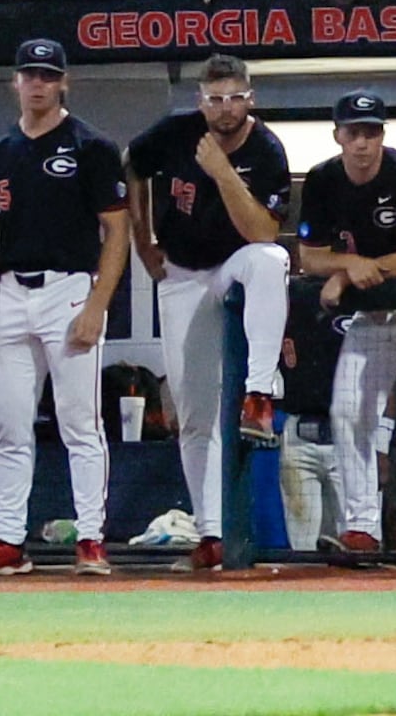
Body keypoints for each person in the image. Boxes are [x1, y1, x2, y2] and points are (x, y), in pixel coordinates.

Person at [0, 38, 131, 577]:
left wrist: (98, 303)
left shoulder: (90, 145)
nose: (38, 84)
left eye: (47, 76)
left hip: (69, 287)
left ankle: (91, 538)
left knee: (80, 422)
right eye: (29, 74)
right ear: (16, 81)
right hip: (11, 291)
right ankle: (8, 540)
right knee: (8, 426)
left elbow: (118, 230)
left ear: (64, 82)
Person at [121, 52, 295, 573]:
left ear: (250, 99)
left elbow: (262, 231)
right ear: (201, 100)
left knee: (272, 259)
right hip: (182, 272)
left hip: (233, 262)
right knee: (194, 412)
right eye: (215, 99)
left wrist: (221, 173)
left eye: (234, 98)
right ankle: (211, 532)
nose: (224, 109)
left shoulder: (265, 148)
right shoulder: (177, 132)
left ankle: (259, 392)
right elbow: (132, 164)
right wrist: (142, 237)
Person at [294, 88, 396, 556]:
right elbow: (309, 256)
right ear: (337, 135)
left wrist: (348, 271)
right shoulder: (323, 180)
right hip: (373, 312)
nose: (362, 143)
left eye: (371, 132)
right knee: (348, 410)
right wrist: (348, 267)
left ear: (382, 134)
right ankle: (362, 527)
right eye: (353, 133)